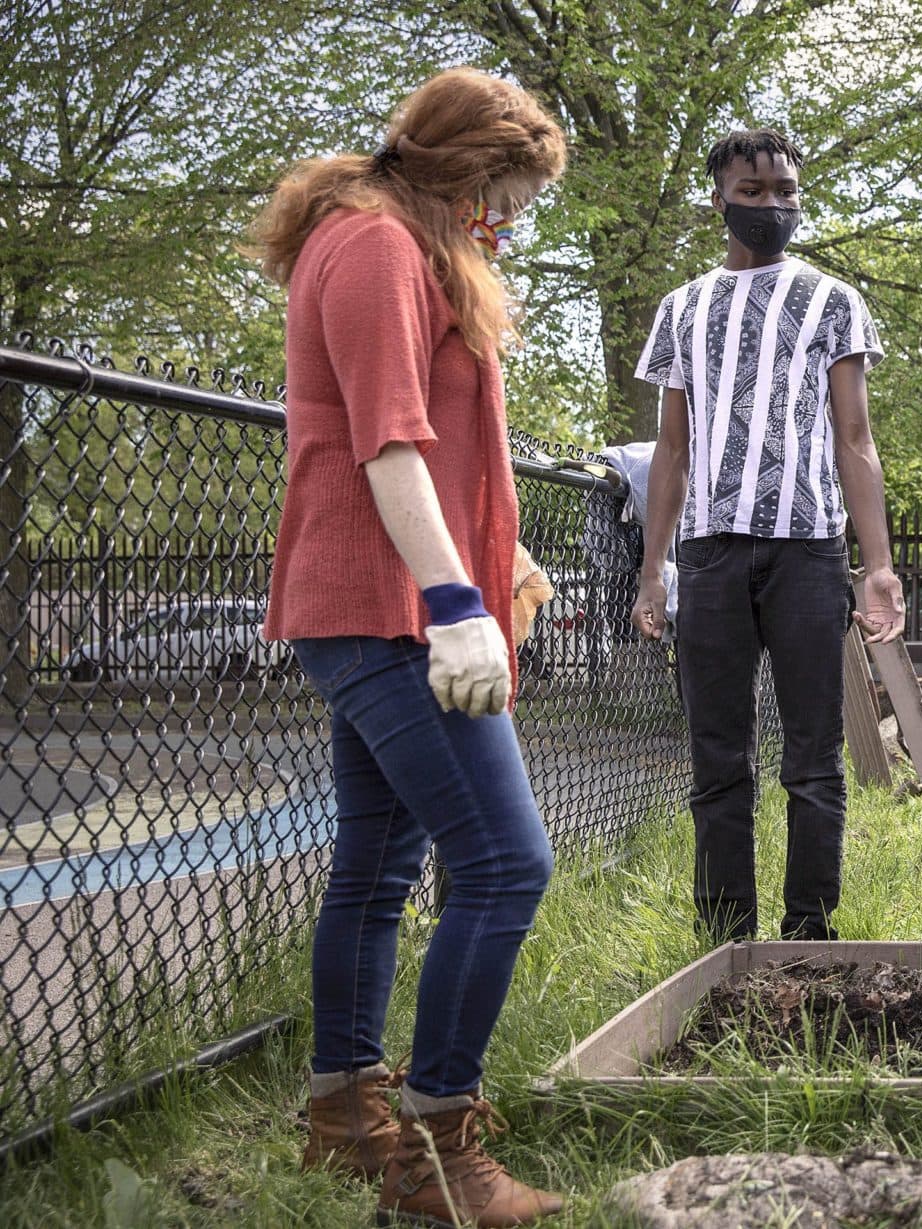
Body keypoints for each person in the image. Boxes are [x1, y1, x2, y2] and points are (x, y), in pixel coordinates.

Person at [254, 68, 568, 1223]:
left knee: (379, 864)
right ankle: (435, 1159)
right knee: (503, 863)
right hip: (383, 606)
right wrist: (453, 602)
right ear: (458, 169)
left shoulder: (388, 239)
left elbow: (441, 447)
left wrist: (505, 555)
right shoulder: (379, 246)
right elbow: (388, 444)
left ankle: (342, 1112)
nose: (509, 217)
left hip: (376, 597)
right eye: (506, 191)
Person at [633, 129, 904, 945]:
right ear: (718, 198)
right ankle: (725, 942)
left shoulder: (833, 301)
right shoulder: (682, 309)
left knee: (813, 759)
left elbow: (855, 440)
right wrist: (654, 569)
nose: (773, 205)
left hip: (807, 552)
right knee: (719, 761)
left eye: (785, 190)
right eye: (754, 192)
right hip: (710, 555)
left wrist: (879, 565)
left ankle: (809, 935)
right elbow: (671, 449)